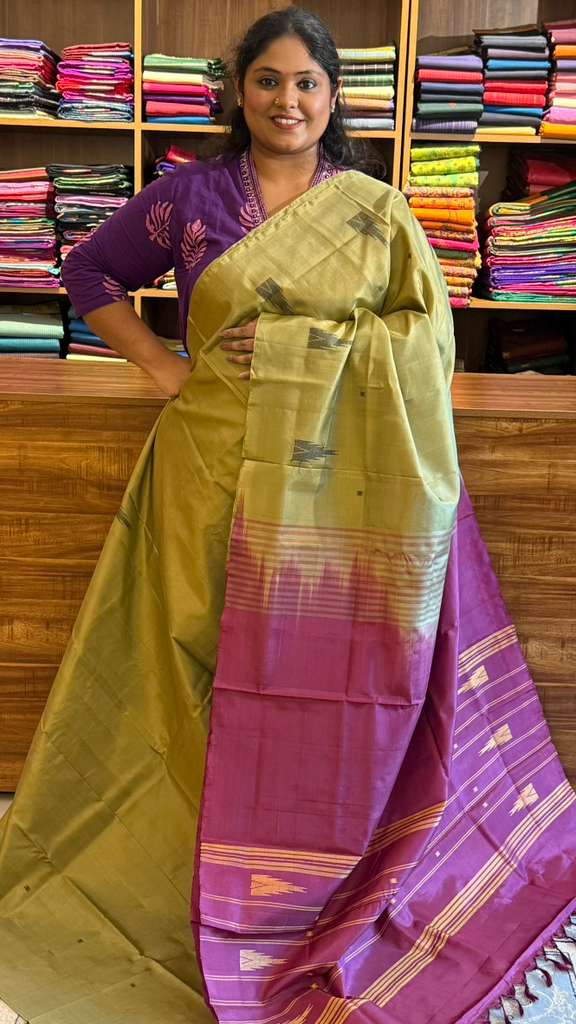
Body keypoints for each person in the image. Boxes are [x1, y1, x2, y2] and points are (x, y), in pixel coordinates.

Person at [1, 9, 575, 1024]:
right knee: (198, 665)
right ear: (239, 89)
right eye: (268, 80)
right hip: (208, 470)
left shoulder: (376, 209)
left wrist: (306, 351)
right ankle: (186, 865)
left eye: (307, 82)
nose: (287, 100)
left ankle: (308, 871)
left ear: (332, 95)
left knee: (323, 680)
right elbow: (88, 271)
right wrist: (164, 367)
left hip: (340, 500)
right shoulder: (188, 197)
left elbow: (425, 341)